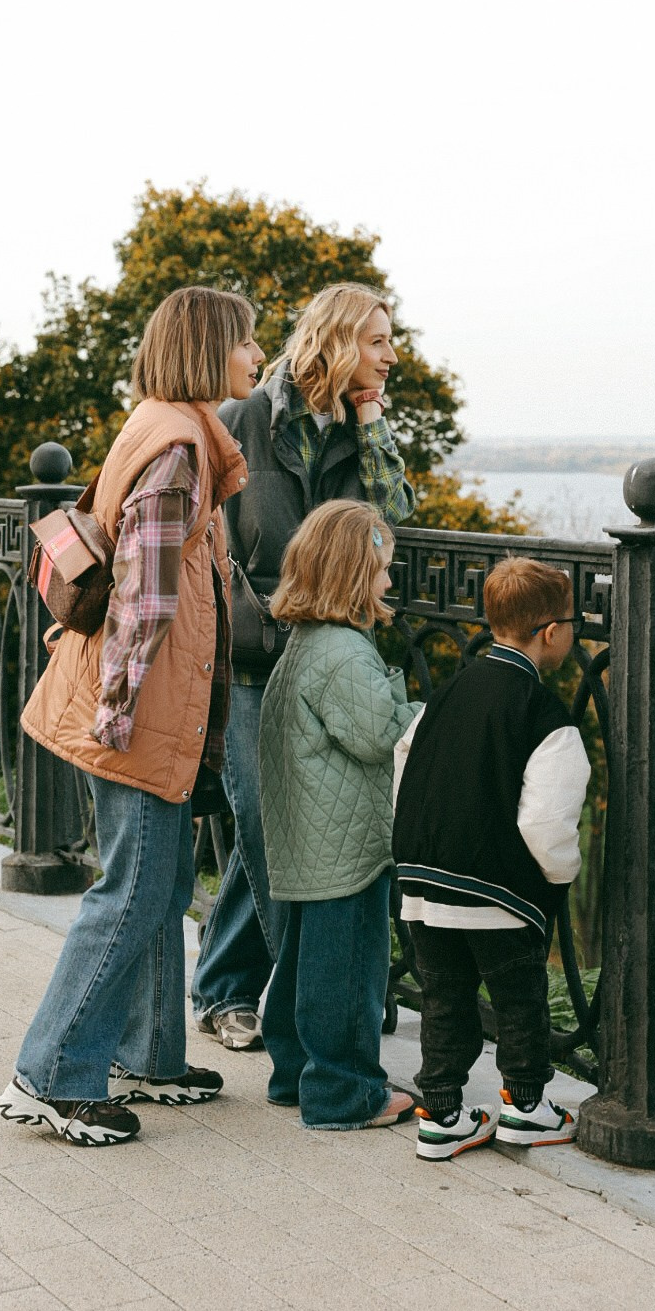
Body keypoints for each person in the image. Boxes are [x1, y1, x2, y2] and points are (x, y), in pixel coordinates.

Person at [0, 286, 265, 1146]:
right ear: (207, 350)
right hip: (141, 709)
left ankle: (148, 1056)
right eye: (246, 342)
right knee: (133, 890)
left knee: (160, 883)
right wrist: (116, 717)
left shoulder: (166, 425)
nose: (257, 357)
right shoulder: (178, 450)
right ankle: (53, 1075)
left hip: (149, 702)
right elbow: (145, 601)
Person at [191, 283, 416, 1051]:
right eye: (378, 340)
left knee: (296, 834)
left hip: (330, 660)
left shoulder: (357, 428)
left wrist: (373, 424)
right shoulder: (243, 418)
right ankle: (315, 1005)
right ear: (338, 340)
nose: (391, 356)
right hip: (253, 659)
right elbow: (203, 536)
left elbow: (393, 515)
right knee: (264, 827)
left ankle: (230, 988)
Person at [392, 557, 592, 1160]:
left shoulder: (448, 693)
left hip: (425, 880)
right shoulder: (543, 714)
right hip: (498, 888)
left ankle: (442, 1115)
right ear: (551, 632)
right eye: (573, 624)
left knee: (444, 999)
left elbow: (405, 764)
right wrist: (557, 876)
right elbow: (545, 823)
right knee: (518, 998)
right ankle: (526, 1107)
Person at [257, 500, 420, 1126]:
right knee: (348, 971)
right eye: (382, 569)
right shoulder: (344, 653)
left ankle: (296, 1073)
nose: (389, 580)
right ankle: (344, 1091)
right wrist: (415, 706)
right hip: (345, 844)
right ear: (354, 575)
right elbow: (378, 734)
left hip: (310, 834)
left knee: (304, 961)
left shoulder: (305, 642)